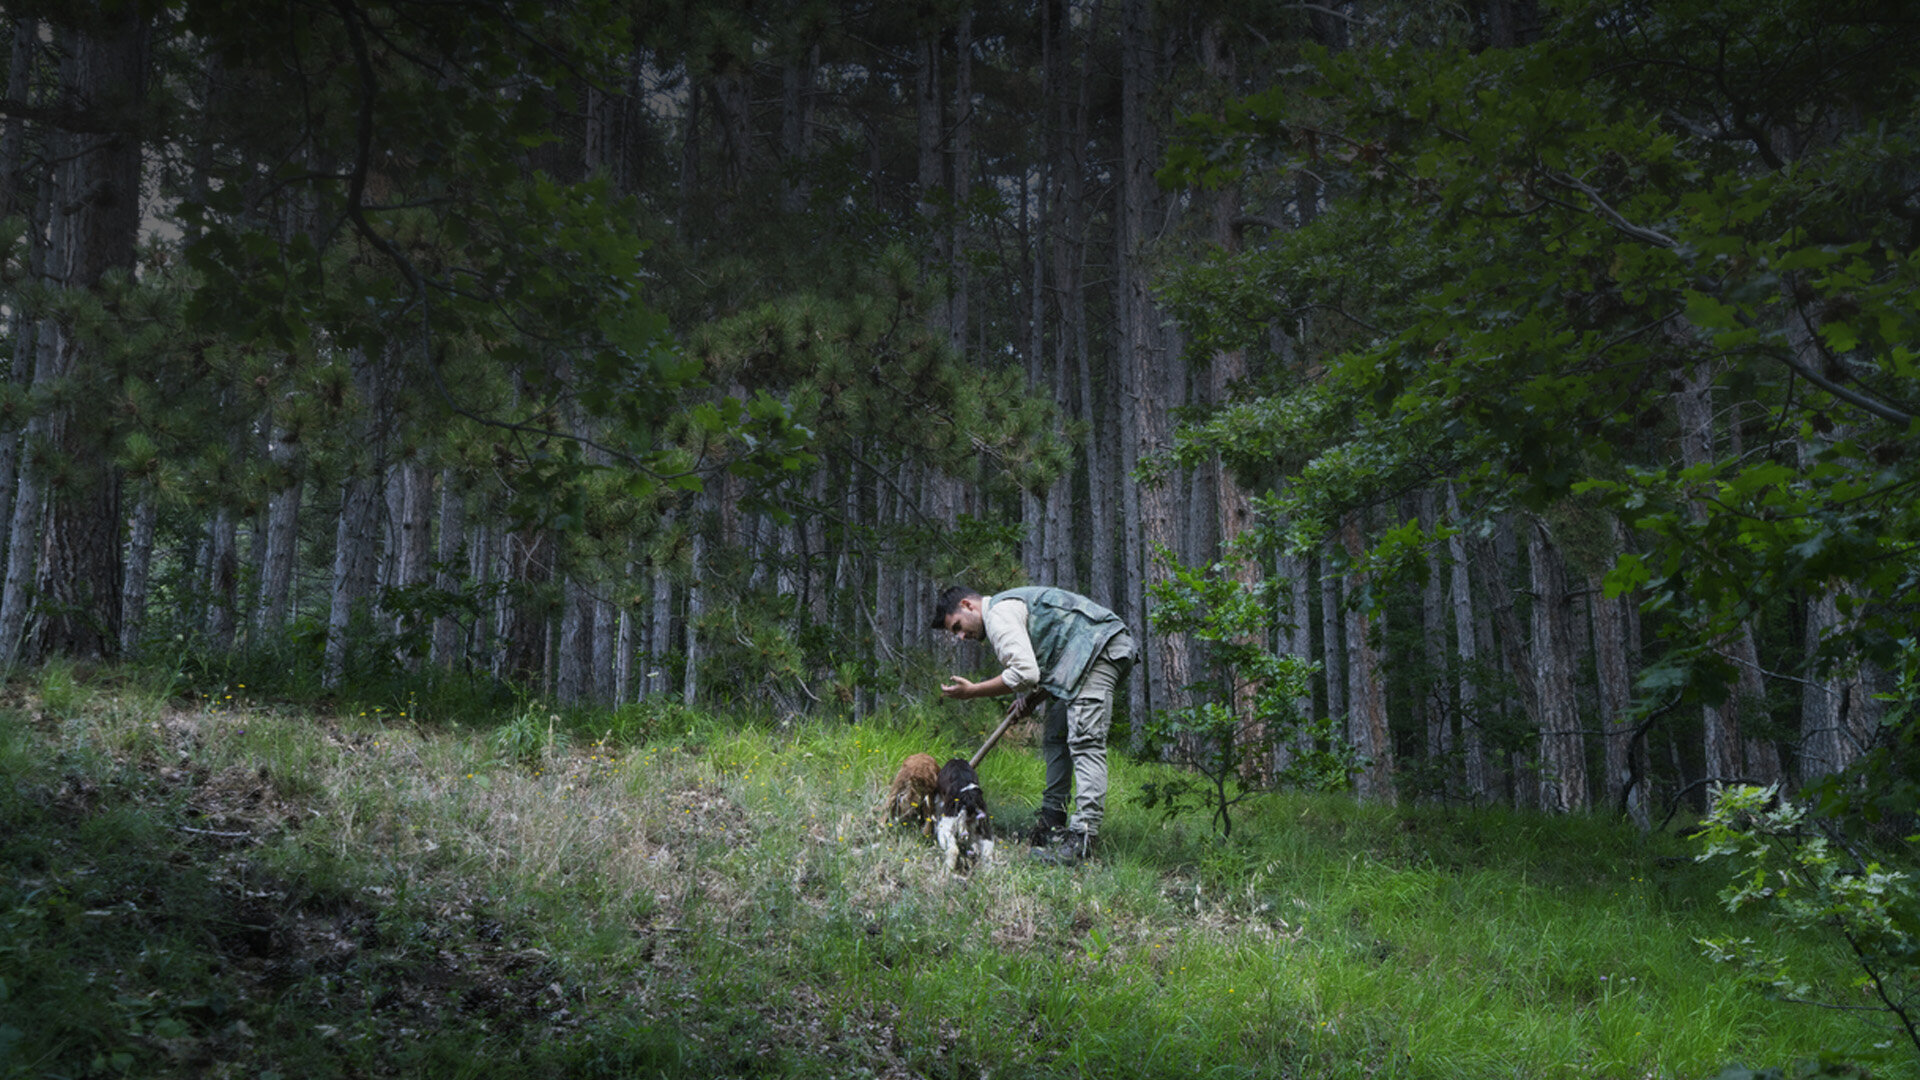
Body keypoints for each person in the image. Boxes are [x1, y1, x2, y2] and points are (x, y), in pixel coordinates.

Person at [931, 584, 1134, 865]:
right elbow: (1048, 660)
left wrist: (974, 690)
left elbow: (1025, 672)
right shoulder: (1004, 611)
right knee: (1055, 737)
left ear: (968, 605)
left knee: (1085, 741)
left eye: (957, 627)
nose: (962, 636)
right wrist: (1032, 699)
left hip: (1100, 649)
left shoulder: (998, 614)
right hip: (1078, 659)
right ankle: (1051, 825)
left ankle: (1082, 840)